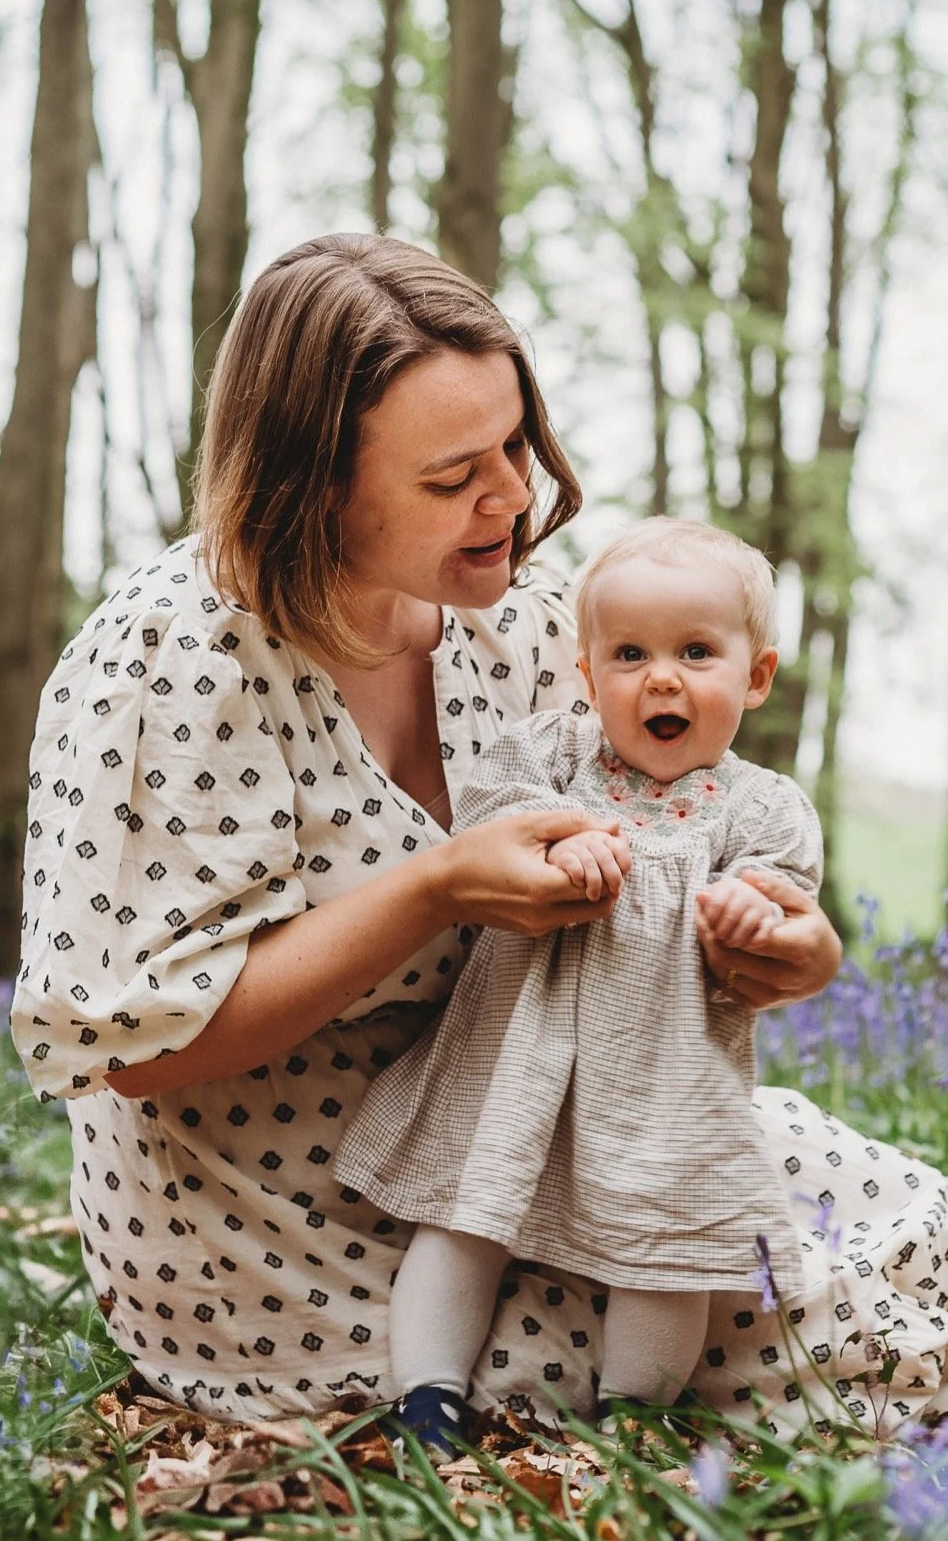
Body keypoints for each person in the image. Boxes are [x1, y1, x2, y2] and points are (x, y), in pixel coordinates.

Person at [9, 234, 948, 1434]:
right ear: (313, 485)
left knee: (921, 1228)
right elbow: (134, 1048)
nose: (515, 498)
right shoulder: (172, 659)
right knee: (807, 1320)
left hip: (550, 1115)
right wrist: (436, 890)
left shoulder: (517, 620)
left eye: (515, 446)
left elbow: (675, 836)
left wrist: (778, 948)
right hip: (268, 1205)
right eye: (451, 478)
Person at [335, 518, 822, 1445]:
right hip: (517, 1055)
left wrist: (750, 911)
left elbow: (785, 892)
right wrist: (558, 838)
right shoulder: (555, 756)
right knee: (463, 1218)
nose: (662, 678)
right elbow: (490, 805)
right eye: (630, 655)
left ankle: (637, 1415)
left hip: (665, 1083)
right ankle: (427, 1397)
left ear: (755, 677)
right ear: (590, 677)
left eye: (696, 652)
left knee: (668, 1250)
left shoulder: (761, 808)